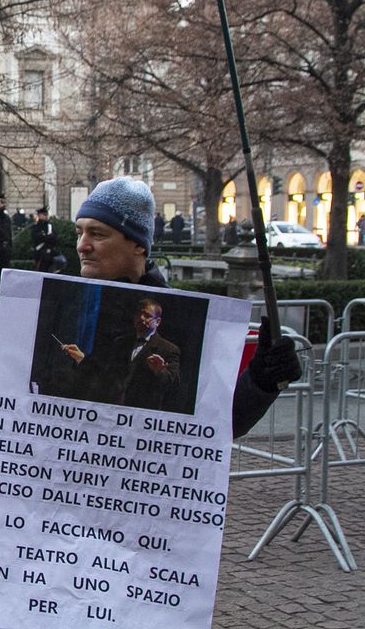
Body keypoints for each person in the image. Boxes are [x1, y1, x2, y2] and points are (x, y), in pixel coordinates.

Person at [73, 177, 302, 437]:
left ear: (138, 245)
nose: (82, 245)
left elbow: (216, 425)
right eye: (79, 232)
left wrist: (261, 381)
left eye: (97, 233)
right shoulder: (64, 305)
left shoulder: (185, 319)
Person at [60, 298, 181, 410]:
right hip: (112, 410)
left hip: (141, 414)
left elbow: (174, 387)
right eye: (138, 314)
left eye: (147, 315)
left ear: (158, 321)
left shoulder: (169, 349)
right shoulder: (120, 342)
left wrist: (160, 370)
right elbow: (104, 373)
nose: (141, 318)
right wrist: (81, 358)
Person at [30, 207, 60, 273]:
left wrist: (46, 237)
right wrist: (47, 237)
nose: (46, 216)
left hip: (50, 253)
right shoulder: (36, 227)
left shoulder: (50, 226)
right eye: (44, 214)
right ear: (39, 215)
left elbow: (54, 238)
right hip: (40, 253)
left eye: (46, 214)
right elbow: (36, 238)